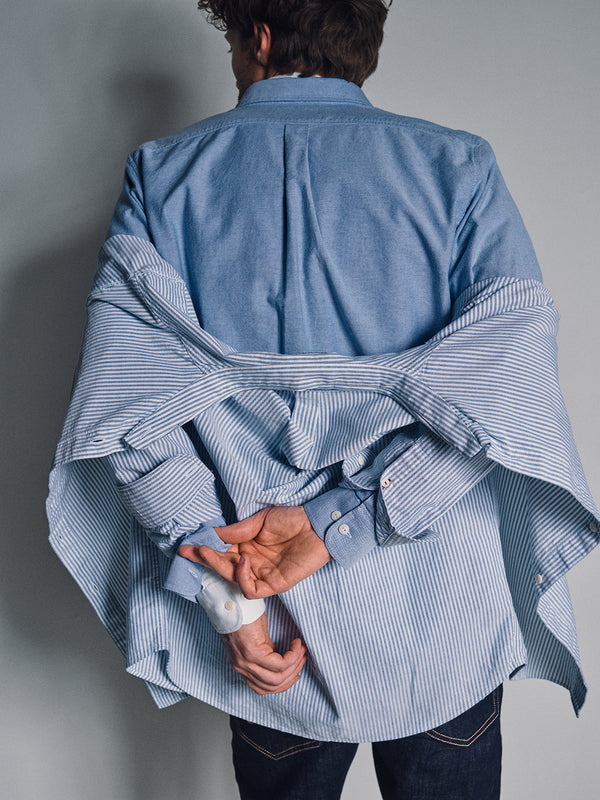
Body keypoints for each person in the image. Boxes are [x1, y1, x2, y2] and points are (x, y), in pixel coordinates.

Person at [47, 1, 599, 798]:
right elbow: (503, 392)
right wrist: (348, 520)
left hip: (274, 624)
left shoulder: (161, 176)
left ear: (260, 39)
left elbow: (127, 410)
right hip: (440, 616)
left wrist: (231, 600)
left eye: (237, 41)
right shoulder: (460, 168)